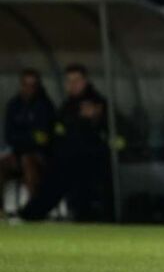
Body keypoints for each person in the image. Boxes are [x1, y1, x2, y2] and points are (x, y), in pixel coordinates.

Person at [19, 64, 112, 221]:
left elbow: (104, 130)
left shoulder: (97, 103)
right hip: (64, 157)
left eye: (76, 80)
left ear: (85, 81)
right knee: (49, 173)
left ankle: (35, 212)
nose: (72, 85)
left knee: (64, 176)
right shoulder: (67, 105)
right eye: (69, 81)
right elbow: (57, 130)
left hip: (89, 159)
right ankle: (32, 212)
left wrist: (96, 117)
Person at [0, 69, 55, 205]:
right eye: (26, 84)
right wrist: (26, 139)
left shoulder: (45, 106)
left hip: (40, 155)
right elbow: (9, 135)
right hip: (17, 152)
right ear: (21, 85)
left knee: (28, 161)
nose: (29, 88)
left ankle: (33, 207)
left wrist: (23, 139)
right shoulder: (14, 105)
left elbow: (42, 138)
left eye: (33, 85)